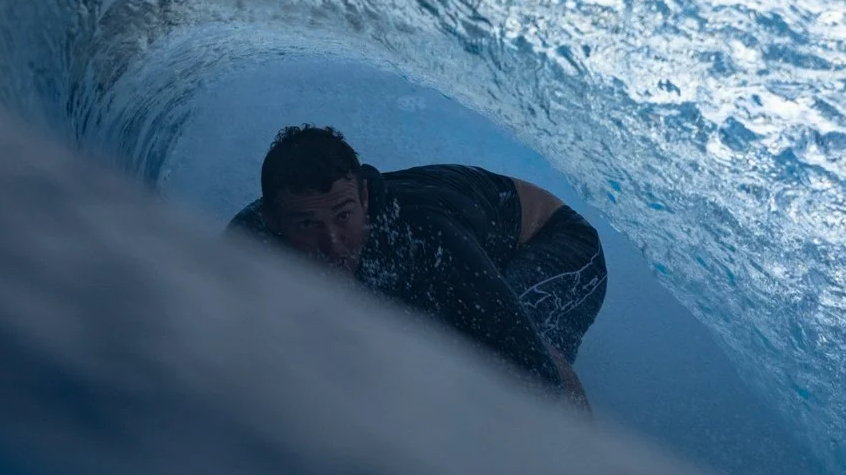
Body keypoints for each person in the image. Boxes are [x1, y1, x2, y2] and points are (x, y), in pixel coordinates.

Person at [227, 125, 606, 407]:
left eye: (344, 216)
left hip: (555, 244)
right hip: (477, 237)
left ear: (364, 197)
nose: (333, 244)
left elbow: (535, 373)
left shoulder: (424, 236)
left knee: (509, 361)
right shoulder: (250, 238)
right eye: (308, 226)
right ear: (274, 222)